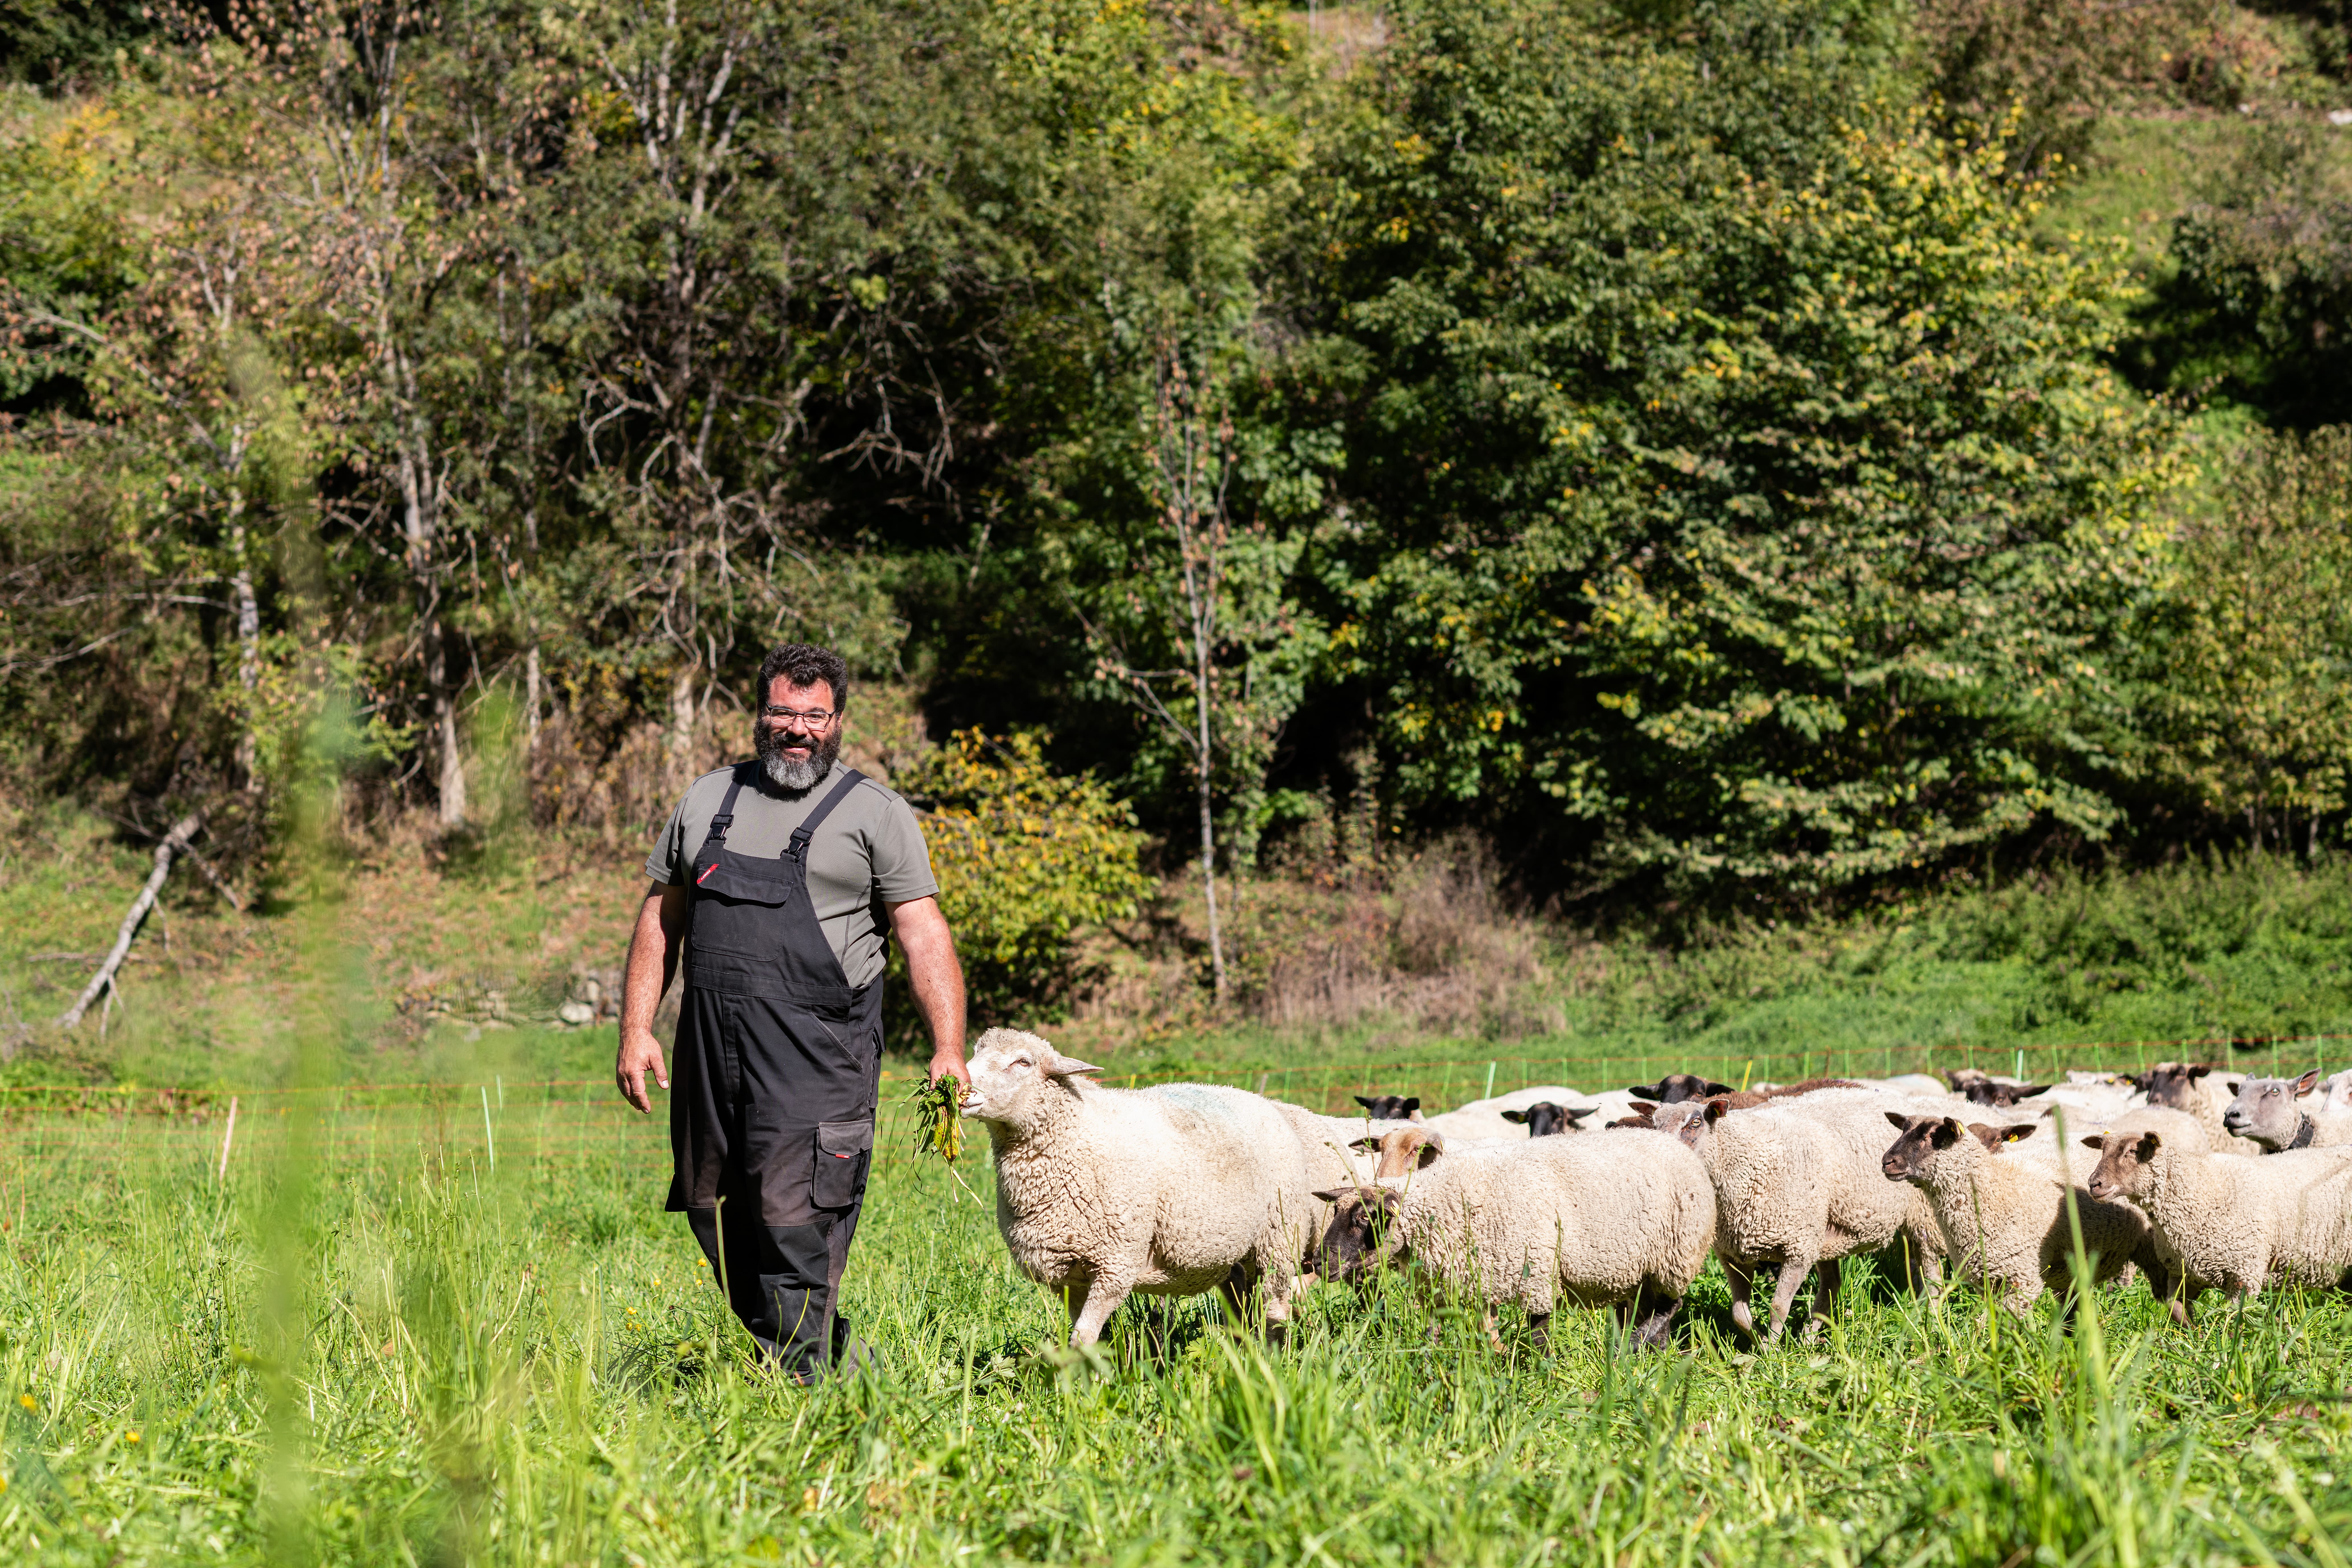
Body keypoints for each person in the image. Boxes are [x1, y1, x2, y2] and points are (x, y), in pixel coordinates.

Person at [615, 643, 967, 1379]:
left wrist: (948, 1046)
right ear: (759, 715)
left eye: (814, 715)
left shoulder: (874, 814)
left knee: (796, 1221)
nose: (797, 728)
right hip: (713, 1058)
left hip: (817, 1061)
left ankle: (796, 1398)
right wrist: (637, 1028)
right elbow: (662, 916)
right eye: (782, 712)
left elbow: (922, 933)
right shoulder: (707, 801)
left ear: (837, 721)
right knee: (725, 1218)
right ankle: (835, 1368)